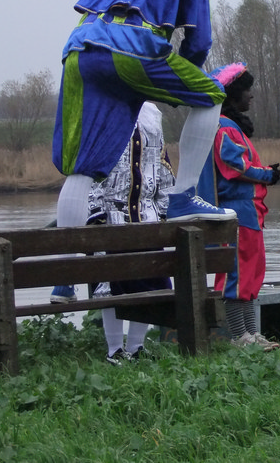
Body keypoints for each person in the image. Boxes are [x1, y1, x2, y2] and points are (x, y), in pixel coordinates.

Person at [50, 0, 233, 304]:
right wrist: (184, 82)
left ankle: (63, 277)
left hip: (80, 52)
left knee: (83, 167)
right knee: (212, 96)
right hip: (131, 50)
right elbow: (199, 40)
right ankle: (183, 196)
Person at [198, 63, 280, 350]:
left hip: (250, 210)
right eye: (246, 90)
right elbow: (235, 167)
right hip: (236, 210)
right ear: (233, 94)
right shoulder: (223, 126)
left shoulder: (231, 127)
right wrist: (267, 175)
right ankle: (239, 336)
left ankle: (252, 334)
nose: (251, 95)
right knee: (237, 272)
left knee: (253, 272)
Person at [86, 102, 173, 364]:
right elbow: (89, 169)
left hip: (147, 216)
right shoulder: (101, 109)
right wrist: (96, 213)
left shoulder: (152, 114)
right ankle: (114, 349)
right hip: (110, 217)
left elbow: (162, 163)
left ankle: (135, 347)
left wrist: (163, 210)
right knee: (110, 287)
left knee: (146, 283)